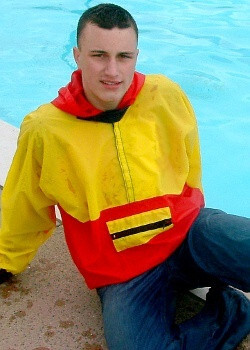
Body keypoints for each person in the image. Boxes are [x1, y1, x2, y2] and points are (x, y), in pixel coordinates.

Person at [0, 3, 249, 349]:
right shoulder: (45, 130)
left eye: (124, 56)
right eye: (99, 55)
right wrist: (5, 261)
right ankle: (232, 311)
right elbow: (24, 203)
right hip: (122, 272)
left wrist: (200, 222)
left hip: (186, 236)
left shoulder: (166, 95)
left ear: (136, 55)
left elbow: (190, 166)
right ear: (77, 55)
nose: (112, 71)